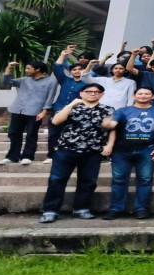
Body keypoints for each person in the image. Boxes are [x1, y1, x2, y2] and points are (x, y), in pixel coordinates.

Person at [38, 84, 115, 223]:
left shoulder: (108, 109)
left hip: (93, 151)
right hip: (66, 149)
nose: (92, 94)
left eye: (96, 92)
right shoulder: (72, 107)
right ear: (81, 93)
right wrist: (71, 104)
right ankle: (50, 210)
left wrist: (109, 145)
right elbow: (56, 121)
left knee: (88, 181)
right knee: (57, 179)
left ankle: (81, 209)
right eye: (89, 91)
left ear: (102, 95)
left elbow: (112, 129)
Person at [102, 87, 154, 220]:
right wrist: (107, 125)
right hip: (121, 150)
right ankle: (115, 208)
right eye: (140, 93)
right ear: (134, 96)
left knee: (145, 180)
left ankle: (141, 208)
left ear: (153, 96)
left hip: (147, 149)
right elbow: (113, 126)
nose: (143, 96)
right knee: (118, 180)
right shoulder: (122, 110)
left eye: (147, 94)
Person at [0, 61, 57, 165]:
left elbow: (50, 97)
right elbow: (7, 81)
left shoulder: (51, 82)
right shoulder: (24, 80)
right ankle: (12, 156)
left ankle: (28, 156)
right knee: (13, 133)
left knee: (31, 134)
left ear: (37, 69)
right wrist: (9, 68)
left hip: (35, 111)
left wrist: (44, 111)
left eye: (28, 68)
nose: (26, 70)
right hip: (18, 109)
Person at [46, 46, 87, 164]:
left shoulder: (88, 83)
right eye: (74, 69)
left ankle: (70, 156)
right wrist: (63, 55)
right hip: (58, 109)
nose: (77, 71)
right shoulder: (65, 80)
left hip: (77, 112)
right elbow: (57, 68)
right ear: (70, 71)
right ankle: (52, 156)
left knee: (73, 135)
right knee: (54, 135)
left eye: (80, 69)